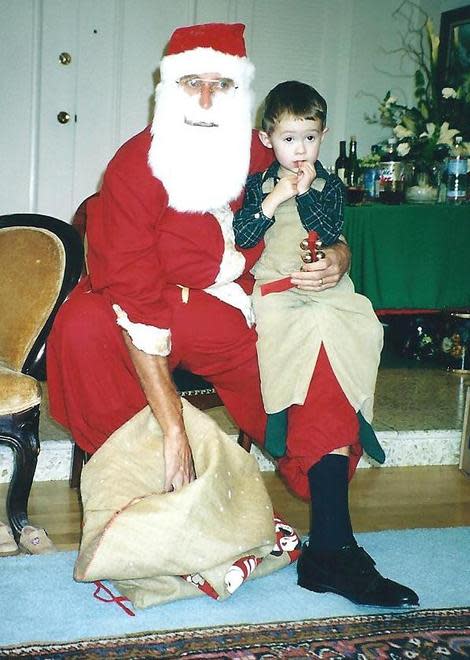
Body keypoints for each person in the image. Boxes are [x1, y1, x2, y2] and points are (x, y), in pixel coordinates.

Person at [47, 23, 418, 607]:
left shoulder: (261, 148)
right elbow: (136, 300)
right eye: (190, 81)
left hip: (235, 306)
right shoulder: (133, 167)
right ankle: (140, 512)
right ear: (168, 89)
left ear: (241, 93)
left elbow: (317, 218)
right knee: (86, 324)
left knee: (316, 331)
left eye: (220, 84)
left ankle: (333, 549)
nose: (203, 99)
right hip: (145, 306)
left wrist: (338, 257)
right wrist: (173, 425)